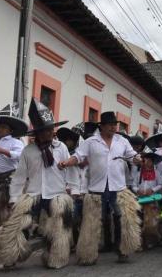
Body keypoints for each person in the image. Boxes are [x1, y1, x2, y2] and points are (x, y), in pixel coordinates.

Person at [0, 98, 78, 269]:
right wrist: (14, 198)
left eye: (50, 129)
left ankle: (55, 257)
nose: (49, 133)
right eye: (45, 131)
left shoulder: (61, 147)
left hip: (57, 194)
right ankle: (12, 255)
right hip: (33, 193)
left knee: (57, 228)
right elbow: (19, 176)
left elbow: (71, 169)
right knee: (19, 225)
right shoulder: (28, 151)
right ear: (37, 133)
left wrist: (73, 188)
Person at [58, 111, 142, 265]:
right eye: (109, 125)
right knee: (92, 221)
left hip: (118, 188)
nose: (113, 127)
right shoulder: (90, 142)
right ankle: (89, 254)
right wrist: (66, 163)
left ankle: (122, 250)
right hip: (97, 188)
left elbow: (132, 155)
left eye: (114, 125)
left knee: (121, 219)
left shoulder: (122, 141)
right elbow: (78, 156)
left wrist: (138, 159)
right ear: (102, 126)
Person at [0, 104, 27, 228]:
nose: (0, 129)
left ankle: (7, 234)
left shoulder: (16, 142)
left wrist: (2, 151)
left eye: (4, 127)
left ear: (10, 130)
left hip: (7, 180)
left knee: (6, 210)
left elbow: (21, 155)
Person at [134, 148, 162, 250]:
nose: (148, 162)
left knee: (151, 222)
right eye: (146, 160)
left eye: (150, 161)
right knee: (139, 221)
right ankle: (140, 243)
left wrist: (152, 189)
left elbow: (161, 184)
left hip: (152, 200)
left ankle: (151, 241)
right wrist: (138, 190)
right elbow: (133, 185)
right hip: (140, 200)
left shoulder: (156, 173)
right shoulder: (138, 173)